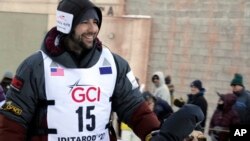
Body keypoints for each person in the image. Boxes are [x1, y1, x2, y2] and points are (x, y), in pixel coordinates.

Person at [0, 0, 204, 141]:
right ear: (66, 24)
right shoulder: (35, 67)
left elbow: (135, 109)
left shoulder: (114, 64)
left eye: (96, 22)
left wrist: (155, 134)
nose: (93, 29)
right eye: (84, 22)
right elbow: (13, 122)